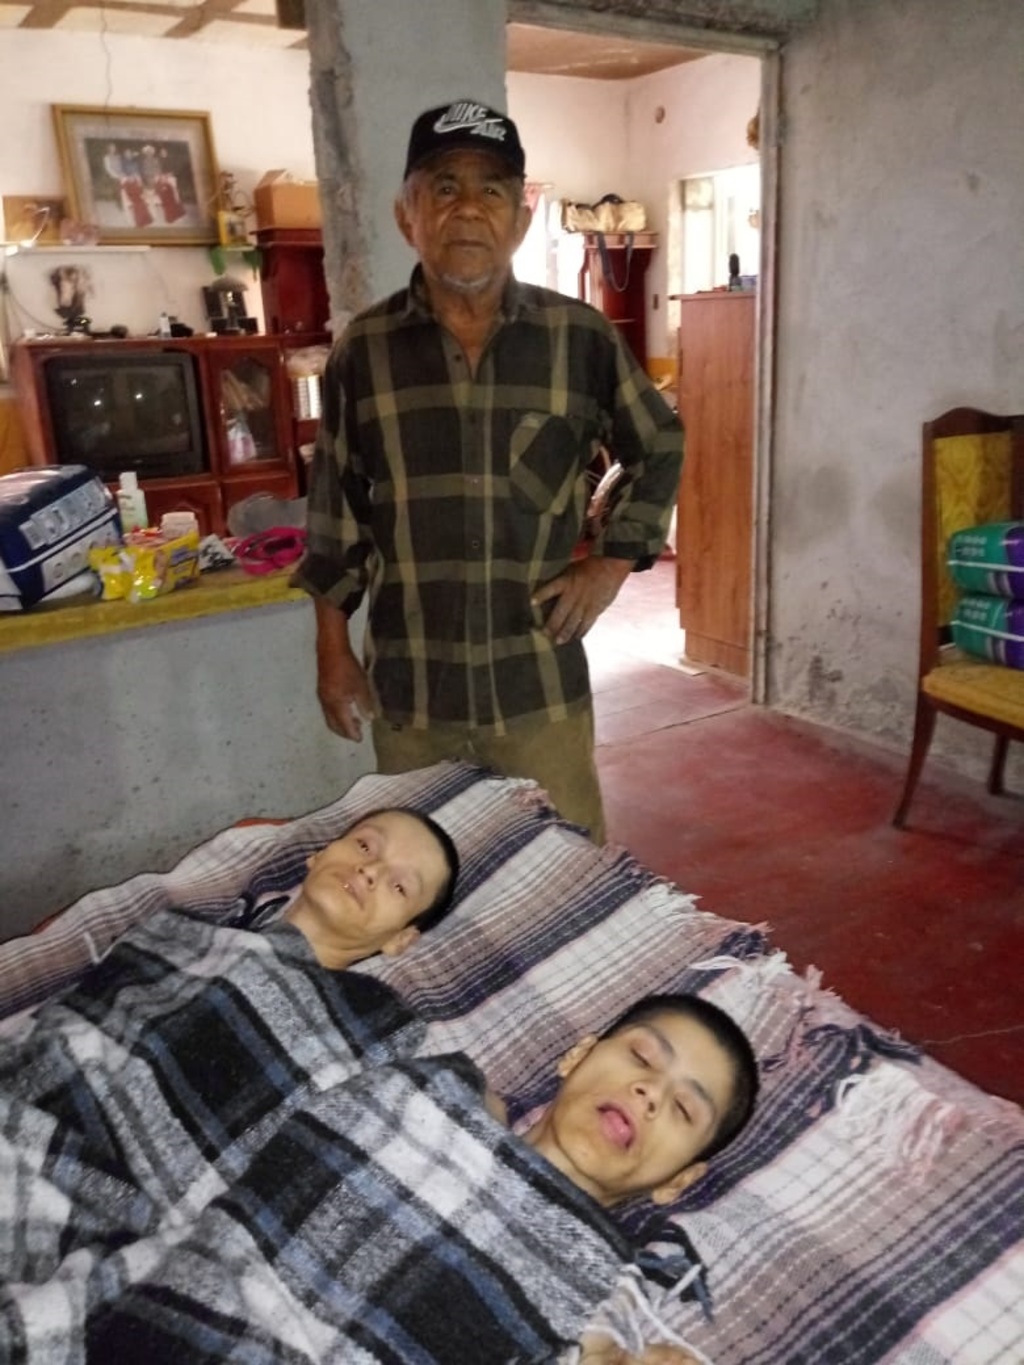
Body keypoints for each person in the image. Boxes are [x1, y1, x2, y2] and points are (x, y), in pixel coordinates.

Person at [295, 98, 683, 844]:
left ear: (521, 221)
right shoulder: (364, 352)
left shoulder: (580, 339)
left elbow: (659, 444)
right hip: (413, 693)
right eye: (444, 187)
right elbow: (335, 511)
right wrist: (331, 649)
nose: (468, 208)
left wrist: (610, 565)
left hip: (537, 685)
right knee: (412, 884)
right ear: (407, 215)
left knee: (563, 876)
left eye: (492, 190)